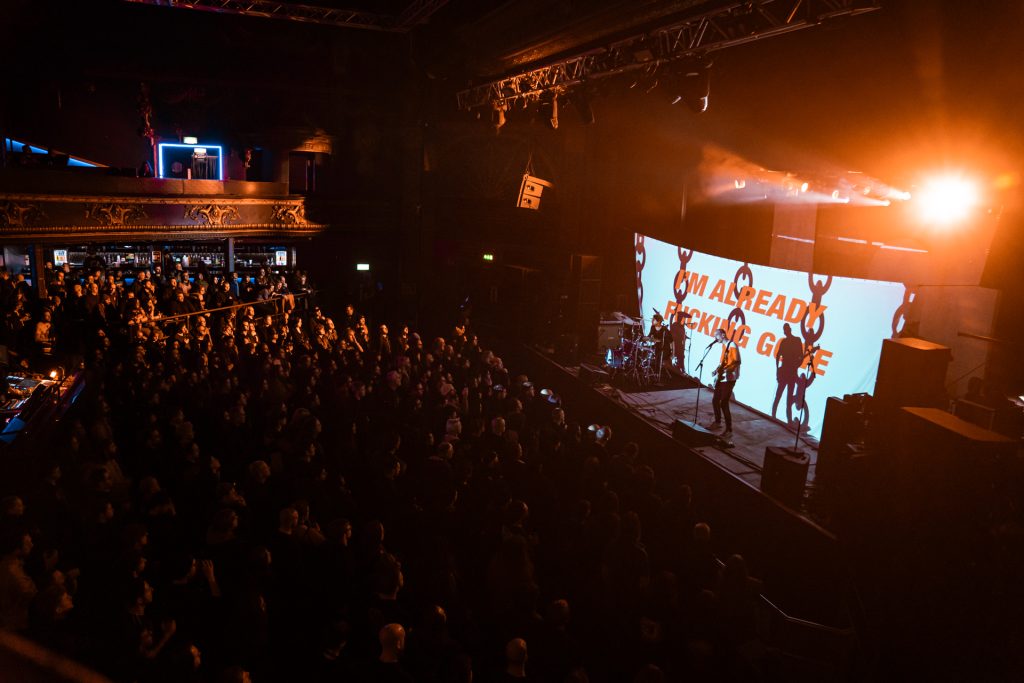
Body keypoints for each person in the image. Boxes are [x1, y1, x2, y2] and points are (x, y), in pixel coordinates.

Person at [709, 328, 740, 438]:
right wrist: (717, 370)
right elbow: (722, 361)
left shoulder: (732, 345)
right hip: (722, 377)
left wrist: (726, 371)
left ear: (722, 335)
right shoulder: (724, 346)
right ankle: (718, 422)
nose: (715, 338)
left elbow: (737, 361)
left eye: (716, 336)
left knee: (724, 403)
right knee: (715, 400)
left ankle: (729, 430)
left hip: (730, 379)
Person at [771, 323, 804, 424]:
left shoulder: (796, 340)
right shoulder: (785, 342)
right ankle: (774, 416)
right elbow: (777, 356)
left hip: (791, 373)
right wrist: (778, 371)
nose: (785, 331)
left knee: (787, 397)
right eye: (784, 330)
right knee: (780, 395)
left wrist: (796, 365)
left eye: (786, 329)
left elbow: (801, 357)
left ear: (789, 330)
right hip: (786, 372)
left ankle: (788, 420)